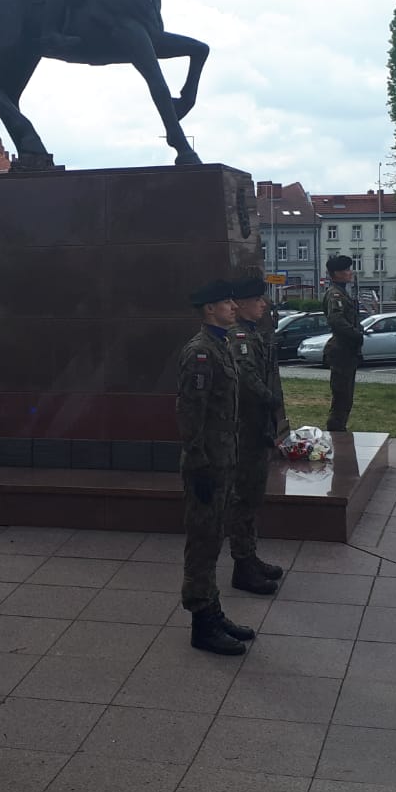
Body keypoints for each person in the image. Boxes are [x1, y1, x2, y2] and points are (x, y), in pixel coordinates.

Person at [176, 279, 254, 655]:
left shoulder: (220, 344)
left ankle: (212, 609)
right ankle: (202, 623)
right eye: (226, 303)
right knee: (203, 543)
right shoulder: (200, 353)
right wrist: (199, 463)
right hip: (206, 464)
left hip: (223, 460)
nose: (234, 307)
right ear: (210, 309)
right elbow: (191, 412)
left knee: (214, 538)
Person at [227, 276, 285, 596]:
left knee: (253, 495)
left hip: (257, 426)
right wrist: (270, 398)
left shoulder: (252, 333)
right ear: (241, 304)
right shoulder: (239, 337)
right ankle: (242, 565)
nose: (263, 304)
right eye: (258, 300)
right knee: (244, 497)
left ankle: (249, 556)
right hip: (246, 429)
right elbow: (247, 379)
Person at [322, 254, 362, 432]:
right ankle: (336, 432)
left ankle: (339, 429)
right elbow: (336, 320)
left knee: (346, 397)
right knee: (341, 397)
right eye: (346, 270)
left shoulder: (343, 292)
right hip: (341, 350)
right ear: (336, 273)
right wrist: (356, 334)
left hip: (347, 350)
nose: (350, 272)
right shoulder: (335, 294)